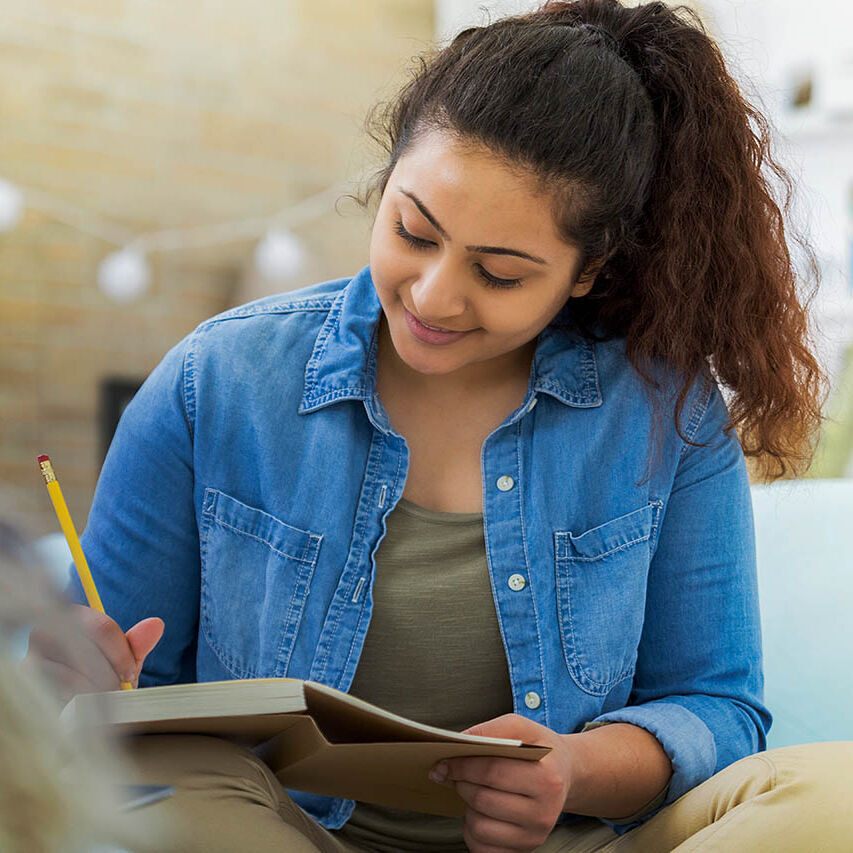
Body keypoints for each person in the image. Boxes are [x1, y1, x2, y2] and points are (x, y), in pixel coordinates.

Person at [33, 0, 853, 850]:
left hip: (571, 842)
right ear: (386, 180)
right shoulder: (219, 379)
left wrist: (571, 768)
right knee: (174, 798)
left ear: (586, 271)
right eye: (411, 231)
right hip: (276, 830)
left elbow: (717, 708)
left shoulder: (663, 413)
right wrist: (68, 678)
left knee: (834, 797)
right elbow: (117, 712)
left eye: (498, 274)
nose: (431, 296)